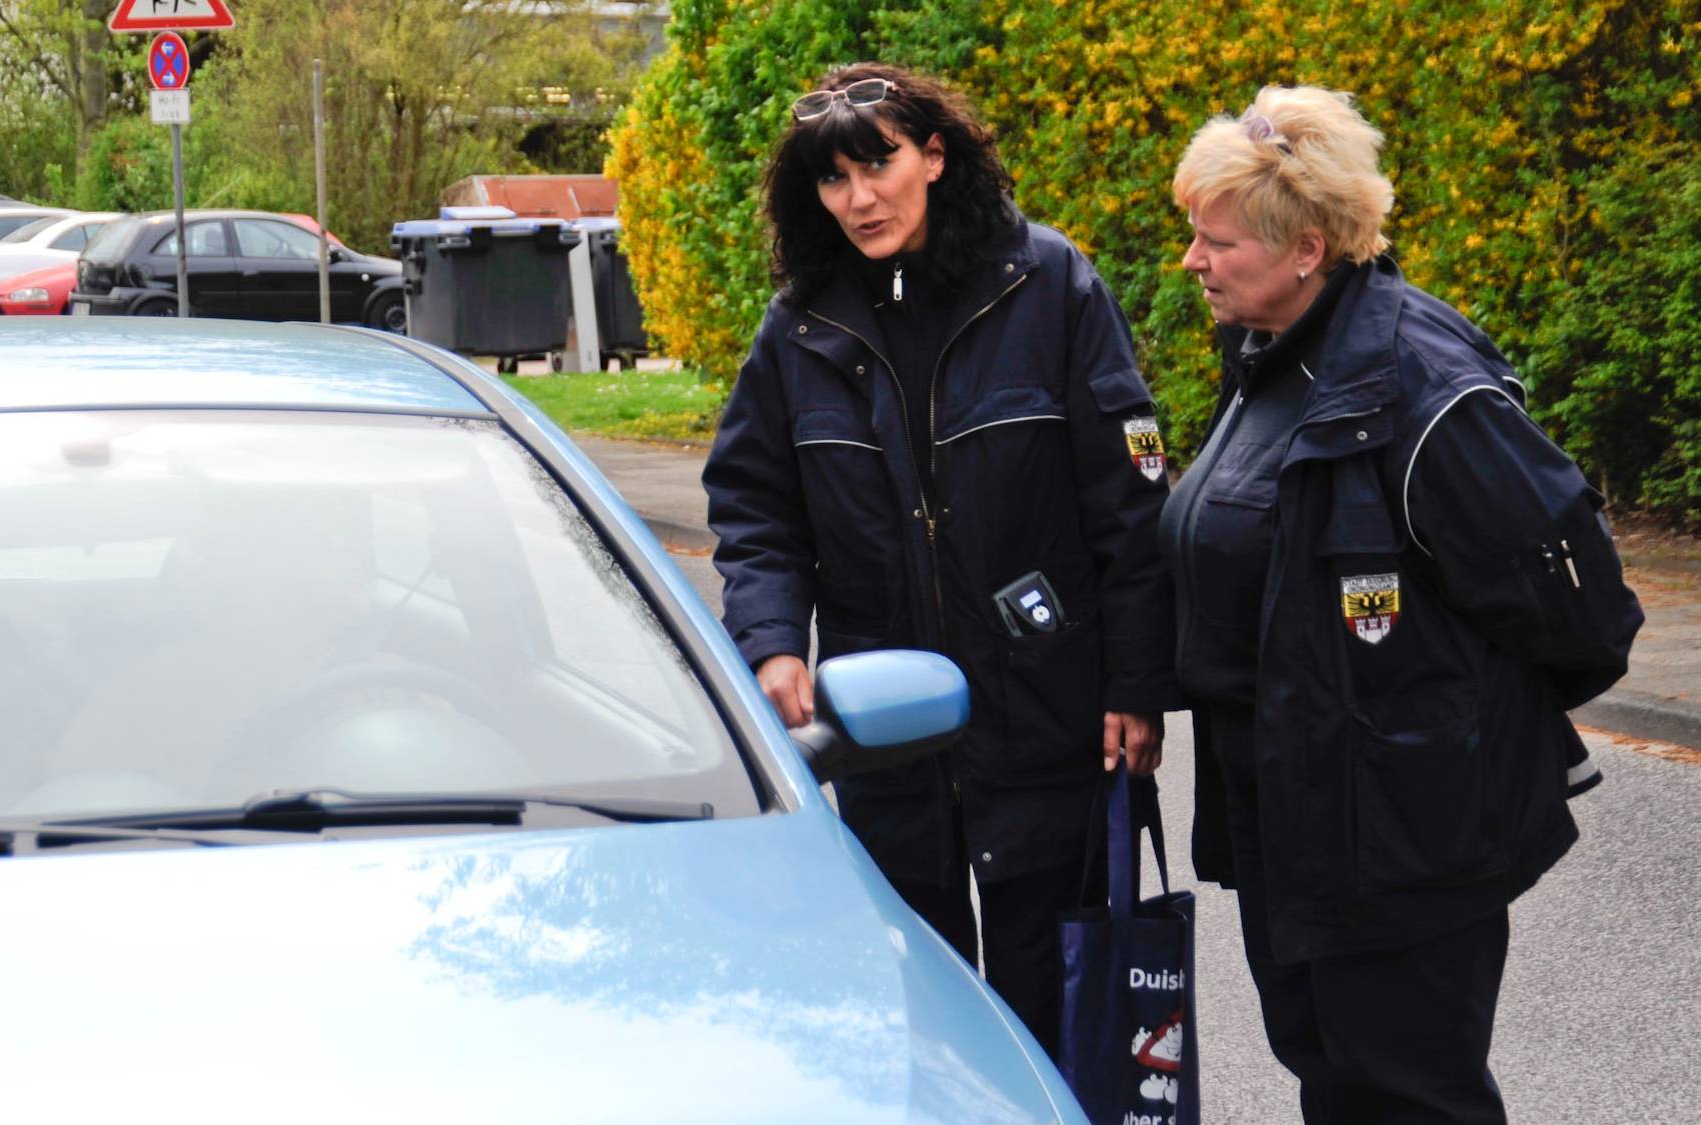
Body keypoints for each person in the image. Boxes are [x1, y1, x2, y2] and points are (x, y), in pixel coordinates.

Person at [1163, 85, 1642, 1122]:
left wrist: (1444, 733)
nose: (1191, 262)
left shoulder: (1418, 383)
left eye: (1215, 242)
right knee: (1333, 1076)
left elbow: (1582, 612)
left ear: (1307, 249)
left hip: (1397, 829)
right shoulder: (1273, 357)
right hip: (1288, 808)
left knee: (1412, 1095)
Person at [703, 62, 1179, 1046]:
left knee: (1049, 1016)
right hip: (884, 733)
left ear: (933, 154)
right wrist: (771, 641)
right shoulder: (798, 327)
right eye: (832, 179)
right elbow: (756, 508)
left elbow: (1127, 507)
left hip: (1045, 718)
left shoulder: (1048, 284)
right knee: (916, 1025)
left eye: (876, 163)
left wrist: (1134, 683)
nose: (859, 197)